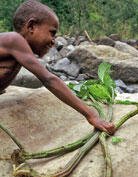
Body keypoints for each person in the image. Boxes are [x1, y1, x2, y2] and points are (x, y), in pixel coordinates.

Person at [0, 0, 115, 135]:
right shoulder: (14, 40)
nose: (54, 41)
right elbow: (49, 80)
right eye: (52, 33)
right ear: (31, 26)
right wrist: (92, 115)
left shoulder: (17, 51)